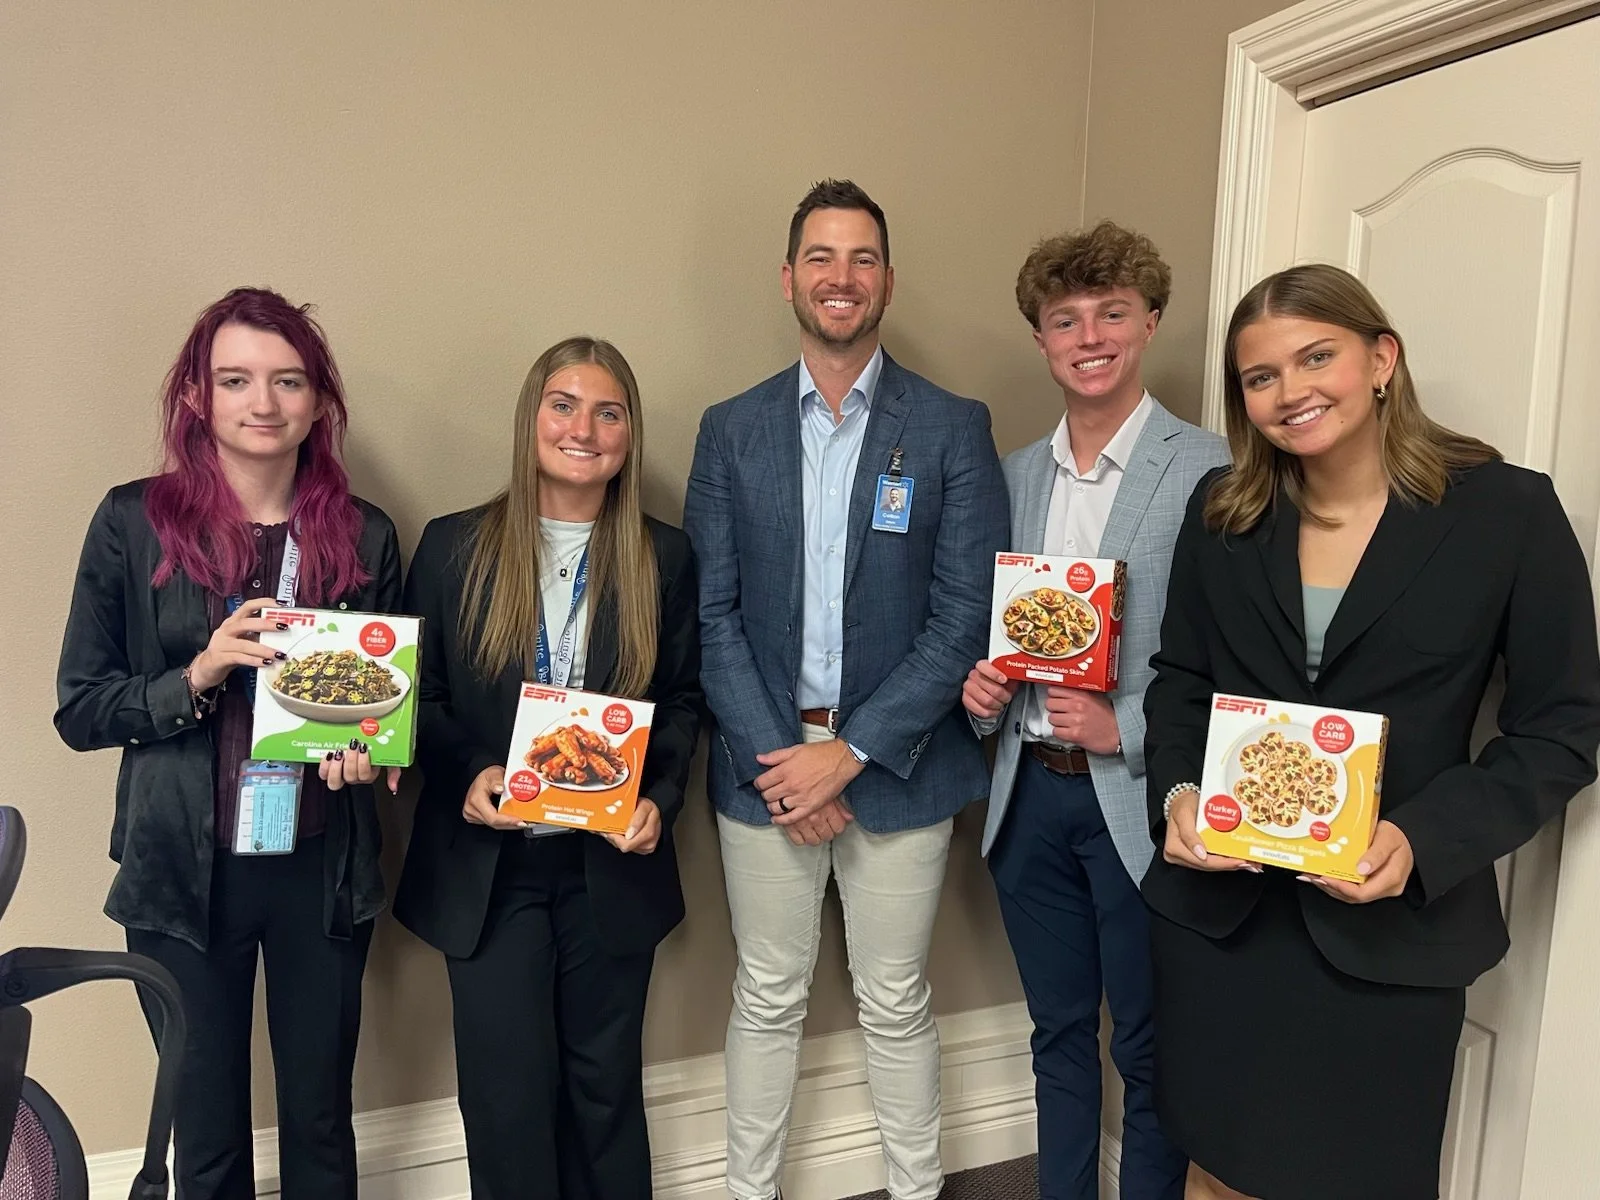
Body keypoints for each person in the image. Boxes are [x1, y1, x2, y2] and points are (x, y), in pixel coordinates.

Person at [1141, 263, 1600, 1200]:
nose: (1290, 392)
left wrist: (1423, 840)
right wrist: (1180, 798)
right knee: (1217, 1172)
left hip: (1389, 933)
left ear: (1381, 358)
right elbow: (1181, 681)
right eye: (1260, 377)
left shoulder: (1507, 513)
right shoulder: (1223, 512)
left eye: (1318, 358)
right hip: (1224, 928)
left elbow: (1563, 727)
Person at [683, 179, 1008, 1200]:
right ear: (788, 278)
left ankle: (917, 1190)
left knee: (897, 997)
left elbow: (963, 615)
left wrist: (850, 754)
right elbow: (713, 614)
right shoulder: (729, 428)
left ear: (887, 282)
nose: (841, 277)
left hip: (899, 768)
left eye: (861, 259)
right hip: (766, 767)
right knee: (768, 995)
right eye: (820, 257)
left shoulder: (952, 426)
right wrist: (789, 765)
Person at [55, 287, 402, 1200]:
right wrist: (195, 676)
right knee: (204, 1133)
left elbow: (388, 710)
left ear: (319, 402)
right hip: (180, 872)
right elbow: (80, 710)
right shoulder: (132, 524)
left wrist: (371, 753)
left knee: (321, 1122)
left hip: (320, 865)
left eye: (288, 381)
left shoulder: (363, 535)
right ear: (198, 397)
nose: (264, 402)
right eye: (237, 379)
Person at [393, 336, 702, 1200]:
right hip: (491, 873)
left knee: (604, 1099)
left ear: (629, 435)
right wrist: (469, 777)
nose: (584, 428)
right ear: (532, 418)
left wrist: (662, 800)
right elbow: (423, 699)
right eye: (563, 404)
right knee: (505, 1102)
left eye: (609, 411)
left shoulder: (662, 556)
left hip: (609, 867)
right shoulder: (454, 548)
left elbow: (682, 703)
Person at [962, 222, 1228, 1200]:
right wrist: (980, 692)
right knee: (1058, 1032)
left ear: (1148, 322)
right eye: (1064, 318)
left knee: (1152, 1046)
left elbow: (1236, 652)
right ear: (1040, 338)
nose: (1088, 335)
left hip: (1135, 798)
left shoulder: (1212, 467)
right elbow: (991, 631)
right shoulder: (1009, 475)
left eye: (1111, 312)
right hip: (1025, 799)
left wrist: (1135, 730)